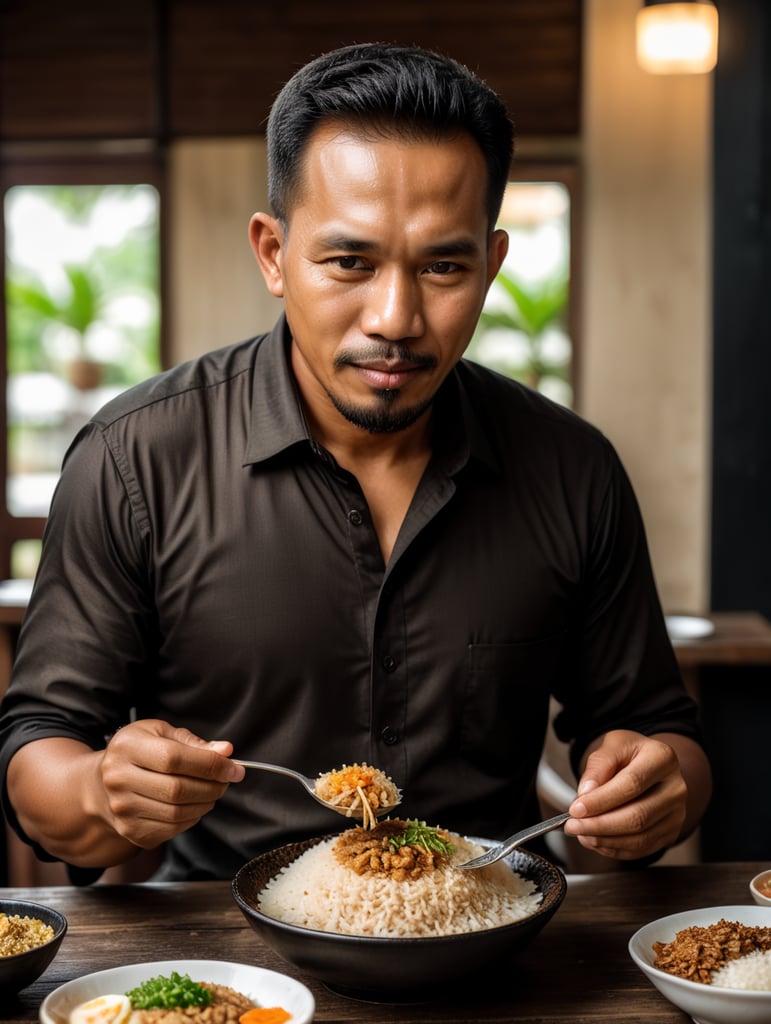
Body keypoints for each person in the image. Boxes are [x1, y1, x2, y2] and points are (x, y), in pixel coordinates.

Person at [0, 42, 711, 883]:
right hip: (226, 962)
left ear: (491, 265)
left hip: (492, 936)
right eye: (350, 263)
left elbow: (659, 732)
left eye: (443, 265)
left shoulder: (571, 468)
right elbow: (40, 747)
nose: (395, 317)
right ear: (273, 253)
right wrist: (100, 791)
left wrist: (658, 786)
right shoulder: (135, 457)